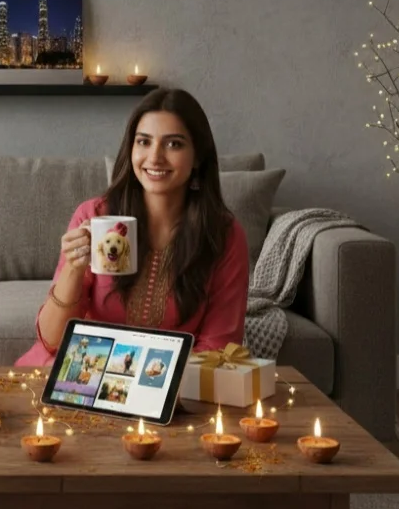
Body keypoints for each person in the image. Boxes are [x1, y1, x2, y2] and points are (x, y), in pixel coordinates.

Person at [16, 87, 249, 367]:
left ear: (198, 156)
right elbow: (51, 340)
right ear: (131, 149)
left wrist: (144, 379)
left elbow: (218, 348)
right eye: (144, 142)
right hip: (85, 372)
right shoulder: (94, 216)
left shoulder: (223, 235)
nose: (155, 157)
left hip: (170, 379)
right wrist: (74, 269)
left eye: (174, 144)